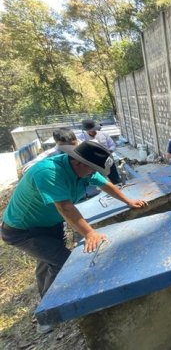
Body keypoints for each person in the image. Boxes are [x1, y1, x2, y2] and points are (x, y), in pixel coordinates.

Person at [1, 141, 147, 333]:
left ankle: (46, 300)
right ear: (79, 163)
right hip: (23, 229)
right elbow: (65, 207)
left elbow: (106, 184)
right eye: (92, 170)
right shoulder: (48, 172)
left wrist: (129, 201)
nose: (92, 174)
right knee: (62, 263)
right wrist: (89, 233)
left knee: (47, 262)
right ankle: (47, 316)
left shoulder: (84, 168)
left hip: (50, 224)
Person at [77, 119, 121, 184]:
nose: (94, 131)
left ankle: (117, 184)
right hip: (94, 162)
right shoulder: (81, 138)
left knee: (114, 175)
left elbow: (112, 145)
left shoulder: (104, 134)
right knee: (100, 179)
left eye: (95, 129)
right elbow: (81, 151)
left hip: (107, 159)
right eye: (92, 130)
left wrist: (110, 150)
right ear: (87, 130)